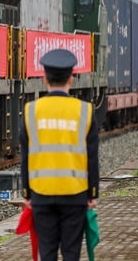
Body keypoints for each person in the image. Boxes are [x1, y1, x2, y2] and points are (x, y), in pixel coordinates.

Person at [20, 48, 99, 261]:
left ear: (44, 79)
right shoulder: (85, 111)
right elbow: (92, 157)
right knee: (71, 253)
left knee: (47, 252)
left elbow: (25, 157)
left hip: (41, 194)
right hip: (75, 194)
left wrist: (27, 194)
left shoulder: (30, 111)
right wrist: (92, 194)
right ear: (71, 79)